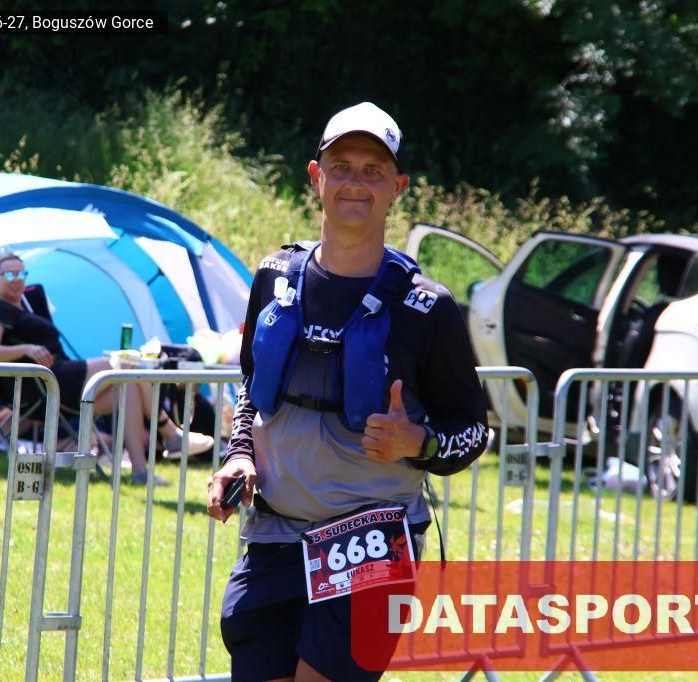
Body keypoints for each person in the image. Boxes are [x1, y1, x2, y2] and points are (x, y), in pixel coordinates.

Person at [206, 102, 489, 680]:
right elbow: (252, 385)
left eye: (373, 170)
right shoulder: (274, 277)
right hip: (275, 532)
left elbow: (473, 430)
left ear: (397, 188)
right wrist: (239, 453)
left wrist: (419, 442)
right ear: (317, 177)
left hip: (373, 539)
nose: (355, 183)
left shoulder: (427, 307)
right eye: (341, 167)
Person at [0, 252, 214, 484]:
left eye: (21, 274)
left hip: (60, 381)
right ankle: (170, 432)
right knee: (126, 363)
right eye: (9, 275)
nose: (16, 280)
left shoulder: (26, 303)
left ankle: (140, 472)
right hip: (45, 383)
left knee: (128, 389)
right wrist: (26, 349)